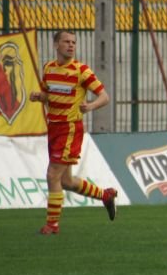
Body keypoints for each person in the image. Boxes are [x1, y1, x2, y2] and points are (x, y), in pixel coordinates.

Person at [29, 29, 116, 235]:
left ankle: (52, 225)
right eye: (66, 42)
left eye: (73, 42)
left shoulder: (81, 70)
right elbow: (48, 95)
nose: (71, 45)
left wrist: (90, 106)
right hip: (53, 127)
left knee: (52, 175)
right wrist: (39, 97)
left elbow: (104, 97)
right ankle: (105, 195)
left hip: (69, 128)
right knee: (66, 181)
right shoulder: (49, 68)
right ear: (56, 45)